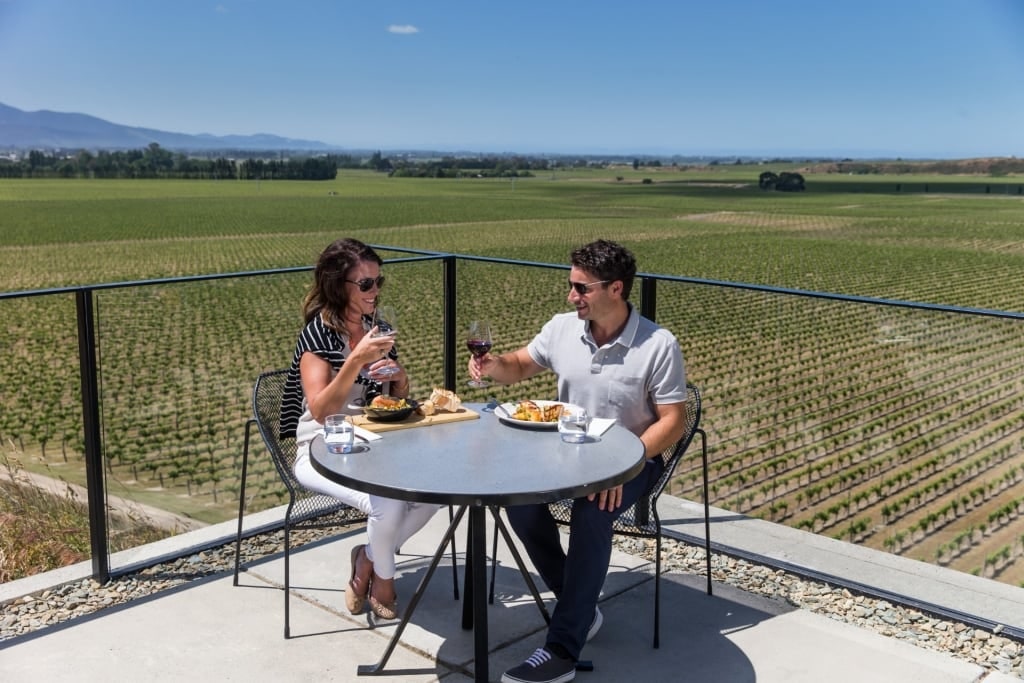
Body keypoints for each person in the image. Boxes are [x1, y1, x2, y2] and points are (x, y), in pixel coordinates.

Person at [469, 239, 688, 683]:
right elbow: (518, 366)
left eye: (581, 288)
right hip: (565, 456)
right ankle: (580, 606)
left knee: (593, 512)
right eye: (571, 286)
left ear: (616, 289)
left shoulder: (658, 344)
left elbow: (674, 422)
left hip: (633, 462)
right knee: (519, 503)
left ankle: (562, 649)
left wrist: (623, 465)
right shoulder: (562, 328)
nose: (572, 296)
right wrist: (493, 365)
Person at [280, 237, 440, 620]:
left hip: (373, 444)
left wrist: (400, 381)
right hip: (322, 449)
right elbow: (320, 411)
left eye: (378, 281)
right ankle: (384, 581)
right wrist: (355, 360)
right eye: (366, 283)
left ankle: (366, 558)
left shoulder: (376, 327)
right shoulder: (317, 334)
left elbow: (390, 398)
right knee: (386, 503)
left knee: (437, 490)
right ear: (339, 286)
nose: (375, 290)